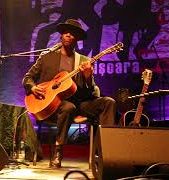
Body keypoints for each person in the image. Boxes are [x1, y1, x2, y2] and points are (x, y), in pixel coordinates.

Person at [22, 19, 116, 168]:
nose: (68, 35)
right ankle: (58, 152)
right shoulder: (47, 57)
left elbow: (91, 92)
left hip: (81, 104)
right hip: (53, 106)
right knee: (68, 107)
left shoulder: (84, 61)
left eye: (73, 33)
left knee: (108, 102)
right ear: (61, 36)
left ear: (77, 39)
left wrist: (87, 77)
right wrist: (32, 87)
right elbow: (28, 78)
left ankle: (108, 151)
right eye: (65, 32)